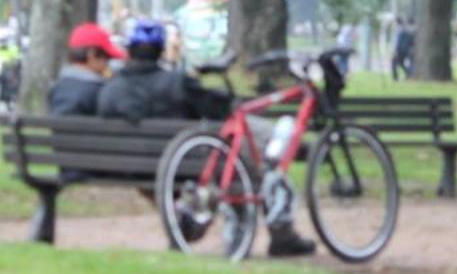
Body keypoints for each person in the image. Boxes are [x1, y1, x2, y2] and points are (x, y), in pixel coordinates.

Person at [100, 19, 316, 256]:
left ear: (128, 51)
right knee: (256, 157)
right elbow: (219, 110)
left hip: (129, 166)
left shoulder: (111, 88)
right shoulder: (177, 83)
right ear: (161, 51)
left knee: (241, 152)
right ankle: (281, 232)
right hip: (189, 163)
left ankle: (240, 230)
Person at [50, 23, 124, 116]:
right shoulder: (100, 91)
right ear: (92, 55)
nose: (107, 63)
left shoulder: (56, 88)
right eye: (107, 57)